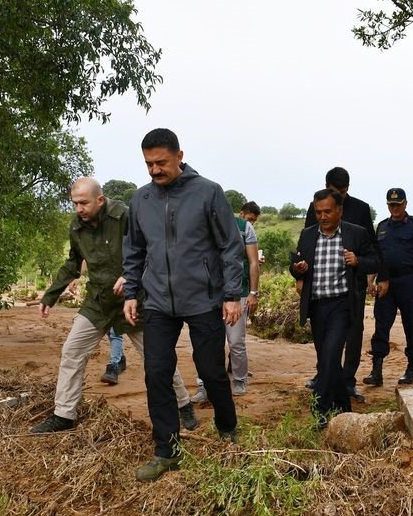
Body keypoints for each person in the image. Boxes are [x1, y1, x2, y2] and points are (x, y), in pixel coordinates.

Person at [120, 128, 244, 482]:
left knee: (210, 370)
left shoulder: (208, 193)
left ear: (179, 155)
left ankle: (227, 429)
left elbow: (230, 246)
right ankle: (167, 450)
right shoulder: (141, 200)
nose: (155, 170)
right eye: (148, 164)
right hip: (157, 300)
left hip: (203, 298)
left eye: (161, 162)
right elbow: (134, 250)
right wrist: (131, 292)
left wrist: (231, 295)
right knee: (156, 372)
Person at [30, 178, 198, 434]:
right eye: (75, 203)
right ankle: (64, 414)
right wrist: (49, 295)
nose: (79, 209)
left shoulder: (125, 217)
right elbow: (73, 263)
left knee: (158, 358)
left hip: (134, 301)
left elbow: (152, 249)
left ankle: (183, 405)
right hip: (98, 302)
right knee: (72, 351)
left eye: (84, 203)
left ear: (100, 200)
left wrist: (131, 275)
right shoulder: (77, 227)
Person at [291, 189, 380, 428]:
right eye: (318, 212)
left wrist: (358, 261)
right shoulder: (308, 235)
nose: (323, 216)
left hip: (342, 304)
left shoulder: (355, 233)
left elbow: (376, 260)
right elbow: (295, 265)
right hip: (317, 306)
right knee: (326, 358)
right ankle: (343, 406)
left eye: (327, 211)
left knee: (330, 354)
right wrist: (297, 269)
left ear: (339, 210)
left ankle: (320, 408)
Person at [303, 167, 383, 402]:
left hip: (351, 287)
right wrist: (300, 276)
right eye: (334, 191)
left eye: (342, 193)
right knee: (326, 341)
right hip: (321, 289)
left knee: (353, 334)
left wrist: (381, 275)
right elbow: (306, 244)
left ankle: (347, 381)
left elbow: (373, 247)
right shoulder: (315, 207)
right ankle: (326, 377)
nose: (324, 215)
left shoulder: (360, 209)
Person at [363, 188, 413, 386]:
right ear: (387, 205)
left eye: (398, 204)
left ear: (405, 204)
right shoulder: (382, 227)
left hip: (409, 281)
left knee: (412, 325)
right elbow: (376, 256)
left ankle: (411, 369)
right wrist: (370, 280)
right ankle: (376, 371)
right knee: (381, 326)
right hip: (385, 283)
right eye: (391, 205)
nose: (395, 208)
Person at [192, 206, 260, 401]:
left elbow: (253, 262)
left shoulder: (244, 227)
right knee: (206, 342)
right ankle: (203, 385)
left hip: (237, 293)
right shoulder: (200, 226)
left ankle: (239, 379)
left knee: (236, 340)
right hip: (207, 294)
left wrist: (254, 292)